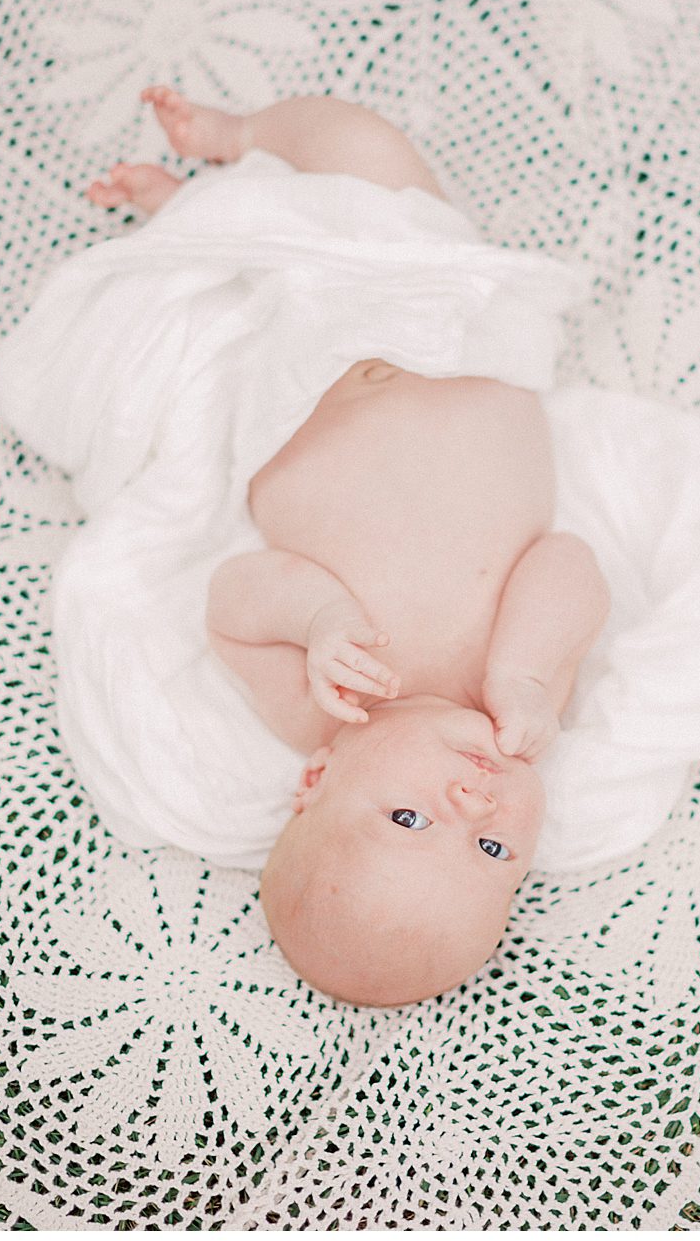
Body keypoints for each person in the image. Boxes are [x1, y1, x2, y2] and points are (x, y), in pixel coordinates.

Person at [88, 88, 611, 1007]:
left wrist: (321, 616)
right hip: (451, 317)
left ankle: (220, 162)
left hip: (313, 368)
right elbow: (569, 564)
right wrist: (527, 674)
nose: (472, 807)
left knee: (302, 217)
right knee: (376, 162)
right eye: (494, 851)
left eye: (408, 817)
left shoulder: (318, 714)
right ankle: (219, 175)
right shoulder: (520, 700)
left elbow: (233, 603)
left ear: (319, 781)